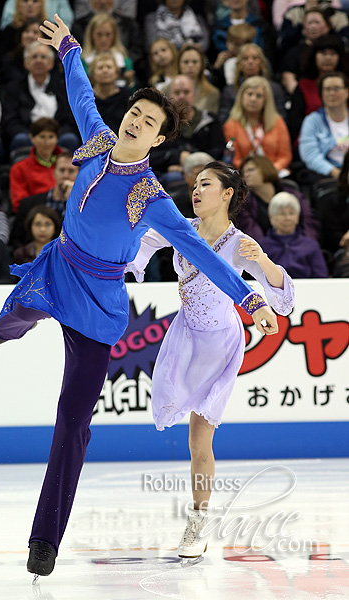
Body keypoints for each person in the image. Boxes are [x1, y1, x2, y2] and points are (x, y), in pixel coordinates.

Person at [0, 14, 278, 579]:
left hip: (100, 301)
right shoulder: (96, 139)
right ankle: (12, 322)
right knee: (18, 308)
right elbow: (81, 91)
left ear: (160, 138)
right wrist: (67, 47)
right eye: (134, 112)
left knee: (73, 419)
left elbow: (204, 252)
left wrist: (247, 297)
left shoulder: (152, 195)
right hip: (57, 268)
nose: (136, 121)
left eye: (148, 121)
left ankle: (45, 538)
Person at [126, 161, 295, 560]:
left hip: (221, 347)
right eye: (194, 185)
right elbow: (143, 243)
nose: (196, 191)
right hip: (185, 338)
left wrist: (265, 264)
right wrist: (125, 267)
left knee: (200, 438)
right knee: (185, 429)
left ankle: (198, 522)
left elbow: (284, 303)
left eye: (205, 184)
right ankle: (199, 518)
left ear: (227, 194)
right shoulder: (181, 228)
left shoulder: (240, 245)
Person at [0, 40, 79, 152]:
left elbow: (70, 118)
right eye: (34, 57)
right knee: (20, 140)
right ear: (26, 63)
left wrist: (53, 137)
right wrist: (33, 137)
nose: (38, 60)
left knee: (69, 139)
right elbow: (10, 120)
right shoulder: (13, 88)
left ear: (51, 64)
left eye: (43, 57)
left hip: (58, 134)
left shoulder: (64, 88)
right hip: (27, 134)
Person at [239, 155, 320, 241]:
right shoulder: (244, 204)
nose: (246, 175)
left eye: (250, 170)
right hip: (268, 250)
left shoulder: (293, 194)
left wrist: (306, 245)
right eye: (243, 173)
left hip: (300, 246)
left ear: (265, 169)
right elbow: (251, 232)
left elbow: (309, 221)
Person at [223, 76, 292, 173]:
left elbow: (285, 156)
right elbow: (235, 158)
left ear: (265, 100)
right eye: (249, 94)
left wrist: (271, 171)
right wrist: (251, 172)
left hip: (274, 173)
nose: (253, 99)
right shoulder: (231, 125)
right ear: (241, 97)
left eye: (259, 96)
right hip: (244, 174)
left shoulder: (277, 122)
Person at [10, 149, 78, 247]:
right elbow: (16, 240)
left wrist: (72, 202)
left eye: (71, 171)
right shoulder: (28, 203)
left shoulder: (84, 208)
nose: (66, 176)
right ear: (54, 173)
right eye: (62, 170)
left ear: (78, 175)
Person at [260, 192, 328, 278]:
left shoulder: (311, 245)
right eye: (282, 214)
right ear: (271, 218)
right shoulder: (262, 247)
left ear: (297, 218)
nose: (287, 218)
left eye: (291, 213)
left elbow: (321, 277)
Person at [218, 43, 286, 124]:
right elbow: (223, 121)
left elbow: (282, 119)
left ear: (261, 63)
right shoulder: (229, 91)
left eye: (255, 58)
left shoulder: (274, 89)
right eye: (245, 58)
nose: (250, 62)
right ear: (239, 63)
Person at [299, 71, 349, 179]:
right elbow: (310, 156)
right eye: (327, 89)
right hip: (329, 176)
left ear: (346, 91)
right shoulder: (312, 120)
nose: (332, 93)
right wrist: (338, 174)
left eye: (336, 88)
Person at [9, 117, 64, 213]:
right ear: (32, 138)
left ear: (57, 139)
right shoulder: (19, 168)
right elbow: (19, 203)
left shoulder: (69, 165)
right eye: (42, 137)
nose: (47, 142)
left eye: (51, 137)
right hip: (35, 216)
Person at [80, 13, 135, 89]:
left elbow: (132, 91)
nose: (103, 39)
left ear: (114, 35)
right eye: (99, 34)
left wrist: (129, 81)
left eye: (108, 34)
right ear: (91, 35)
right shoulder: (83, 61)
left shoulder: (124, 60)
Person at [89, 51, 131, 135]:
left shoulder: (125, 95)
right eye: (100, 68)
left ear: (116, 73)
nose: (105, 71)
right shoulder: (87, 98)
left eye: (109, 67)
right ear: (93, 74)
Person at [144, 0, 210, 53]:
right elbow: (152, 44)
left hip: (192, 57)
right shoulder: (152, 18)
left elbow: (204, 43)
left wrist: (194, 47)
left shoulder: (197, 18)